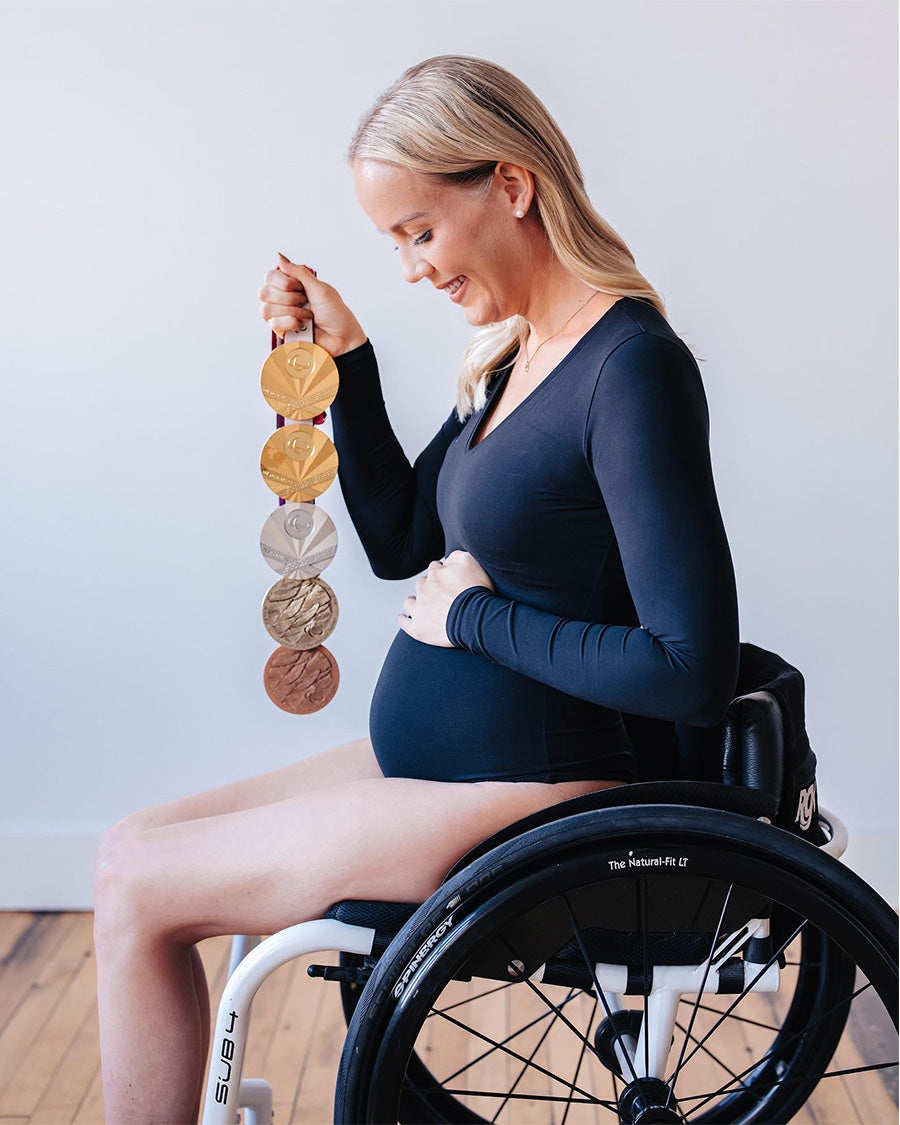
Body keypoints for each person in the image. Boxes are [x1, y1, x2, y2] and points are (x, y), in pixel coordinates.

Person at [92, 53, 739, 1123]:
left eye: (419, 231)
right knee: (125, 848)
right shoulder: (512, 359)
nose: (409, 267)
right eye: (394, 241)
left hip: (536, 793)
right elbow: (400, 539)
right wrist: (346, 363)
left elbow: (687, 669)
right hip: (441, 769)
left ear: (512, 186)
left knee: (135, 894)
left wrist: (471, 619)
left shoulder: (630, 369)